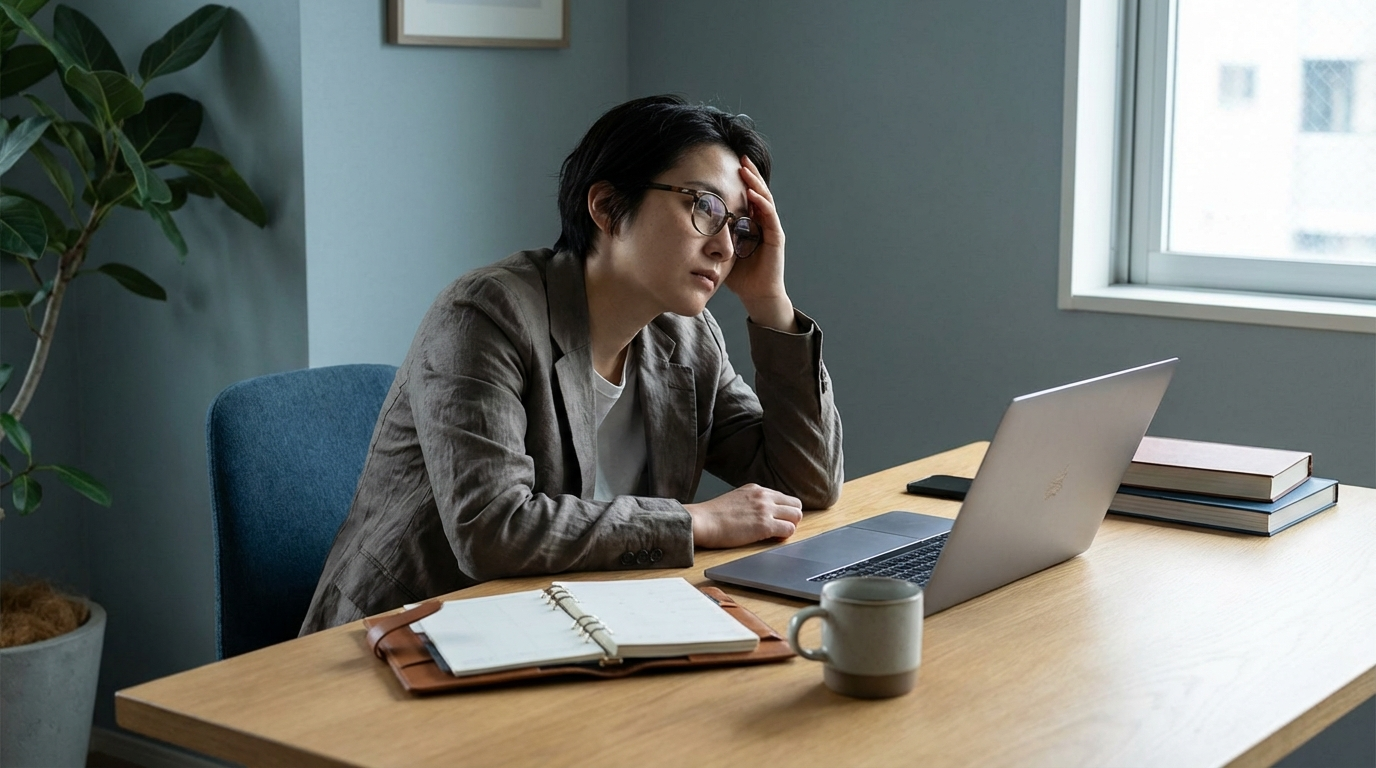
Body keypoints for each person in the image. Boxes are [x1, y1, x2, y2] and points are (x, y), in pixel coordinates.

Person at [300, 95, 844, 633]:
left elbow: (805, 483)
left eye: (740, 225)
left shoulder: (689, 337)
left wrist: (769, 304)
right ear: (606, 207)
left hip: (572, 627)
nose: (726, 246)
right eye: (705, 207)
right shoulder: (486, 314)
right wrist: (695, 520)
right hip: (410, 639)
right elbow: (493, 530)